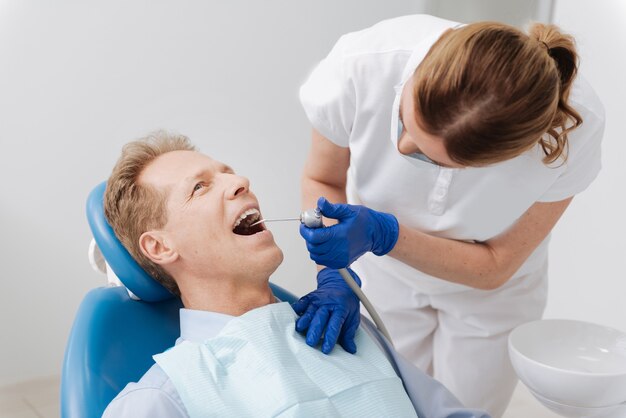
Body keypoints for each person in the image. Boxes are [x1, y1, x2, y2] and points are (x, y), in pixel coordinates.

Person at [297, 14, 604, 417]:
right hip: (385, 275)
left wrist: (385, 233)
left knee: (467, 408)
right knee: (387, 403)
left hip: (490, 294)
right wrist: (334, 272)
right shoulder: (361, 65)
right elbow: (322, 177)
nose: (403, 147)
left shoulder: (573, 129)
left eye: (427, 156)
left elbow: (495, 266)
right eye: (405, 120)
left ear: (500, 158)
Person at [101, 131, 490, 418]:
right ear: (160, 248)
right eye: (200, 188)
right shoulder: (162, 398)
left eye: (229, 173)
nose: (240, 182)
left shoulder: (345, 328)